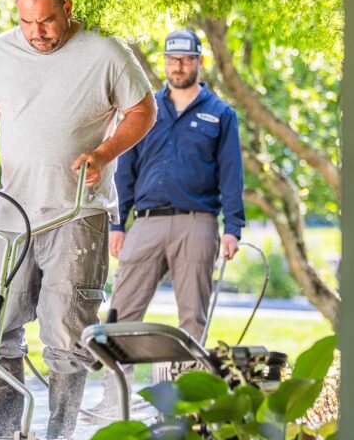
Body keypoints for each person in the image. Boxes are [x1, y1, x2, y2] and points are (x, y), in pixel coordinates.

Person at [0, 0, 156, 440]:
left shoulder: (106, 52)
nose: (37, 33)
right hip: (12, 213)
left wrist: (104, 153)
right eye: (27, 22)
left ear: (66, 7)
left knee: (67, 329)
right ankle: (3, 432)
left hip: (76, 213)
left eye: (47, 20)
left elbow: (143, 110)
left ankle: (59, 438)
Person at [91, 28, 245, 415]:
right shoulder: (146, 111)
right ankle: (114, 399)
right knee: (123, 311)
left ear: (198, 62)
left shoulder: (220, 114)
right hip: (145, 222)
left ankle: (182, 403)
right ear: (165, 62)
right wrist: (117, 223)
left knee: (192, 314)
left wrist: (233, 227)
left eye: (187, 59)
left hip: (199, 222)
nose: (179, 66)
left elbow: (231, 172)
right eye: (172, 60)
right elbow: (126, 169)